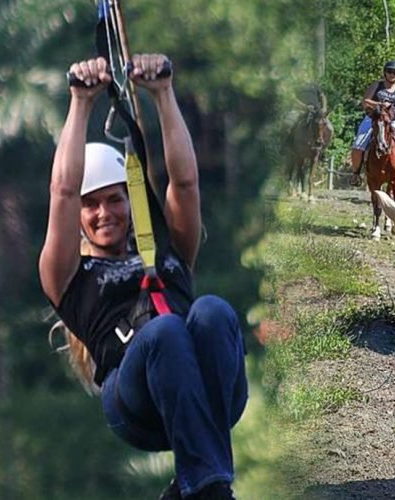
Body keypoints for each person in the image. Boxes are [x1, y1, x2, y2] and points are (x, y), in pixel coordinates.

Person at [40, 54, 247, 500]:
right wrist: (81, 102)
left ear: (129, 200)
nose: (104, 213)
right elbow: (61, 191)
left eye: (114, 200)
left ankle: (194, 484)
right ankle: (210, 487)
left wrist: (163, 93)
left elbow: (186, 183)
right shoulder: (69, 275)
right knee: (167, 330)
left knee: (211, 310)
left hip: (207, 389)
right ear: (78, 215)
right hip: (136, 400)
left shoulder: (168, 245)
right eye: (91, 204)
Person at [350, 61, 395, 187]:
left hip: (394, 120)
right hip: (374, 118)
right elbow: (365, 102)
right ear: (385, 72)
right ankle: (356, 173)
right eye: (389, 71)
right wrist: (379, 105)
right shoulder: (377, 85)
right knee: (358, 146)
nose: (392, 74)